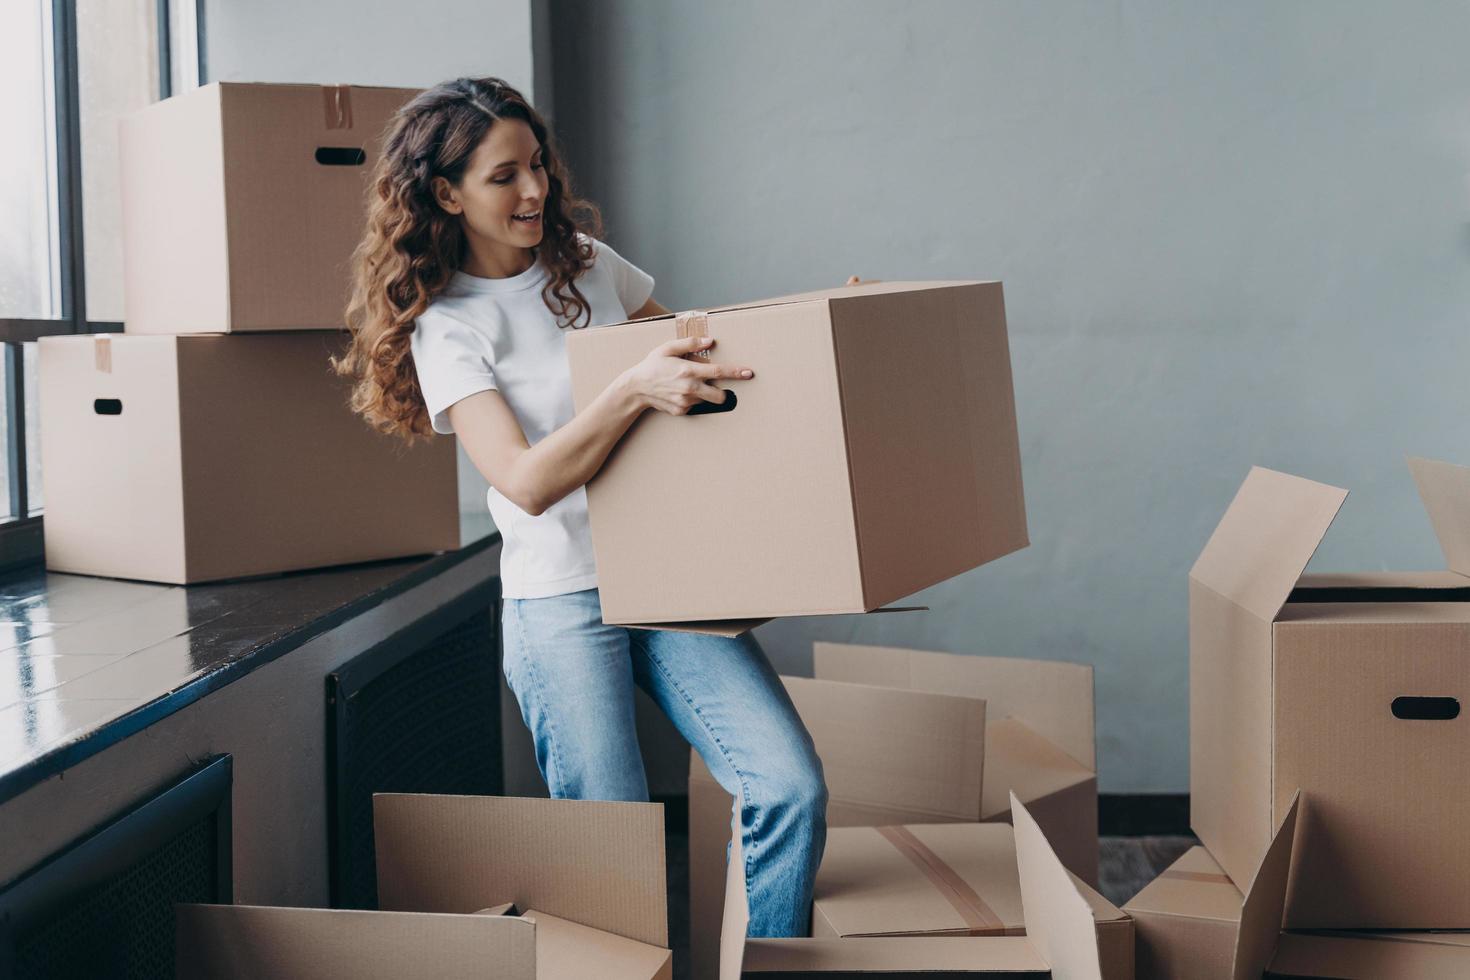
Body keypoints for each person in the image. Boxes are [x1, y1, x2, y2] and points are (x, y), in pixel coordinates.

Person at [332, 76, 839, 938]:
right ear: (446, 193)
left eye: (537, 166)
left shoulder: (590, 267)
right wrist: (633, 388)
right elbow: (523, 481)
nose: (534, 190)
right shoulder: (448, 327)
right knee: (612, 852)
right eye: (504, 176)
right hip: (560, 598)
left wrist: (810, 341)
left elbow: (696, 355)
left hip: (668, 582)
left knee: (788, 786)